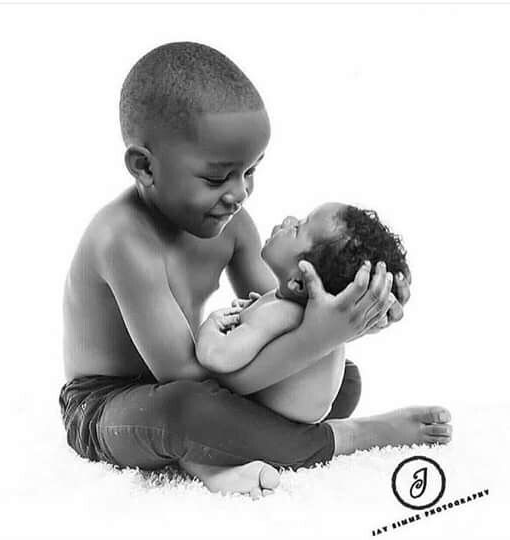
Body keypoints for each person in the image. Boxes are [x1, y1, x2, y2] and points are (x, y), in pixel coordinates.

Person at [59, 42, 452, 500]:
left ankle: (210, 456)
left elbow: (285, 308)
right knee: (187, 410)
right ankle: (347, 437)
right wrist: (316, 339)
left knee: (340, 382)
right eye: (216, 178)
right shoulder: (123, 240)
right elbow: (186, 374)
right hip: (113, 403)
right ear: (145, 167)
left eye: (250, 172)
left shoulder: (232, 224)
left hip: (202, 379)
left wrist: (355, 308)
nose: (240, 193)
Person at [196, 202, 410, 425]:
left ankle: (339, 438)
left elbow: (216, 357)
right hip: (301, 416)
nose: (288, 219)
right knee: (350, 380)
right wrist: (253, 311)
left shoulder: (279, 315)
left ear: (298, 282)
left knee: (190, 401)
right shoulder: (298, 312)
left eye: (297, 228)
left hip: (271, 431)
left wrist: (211, 325)